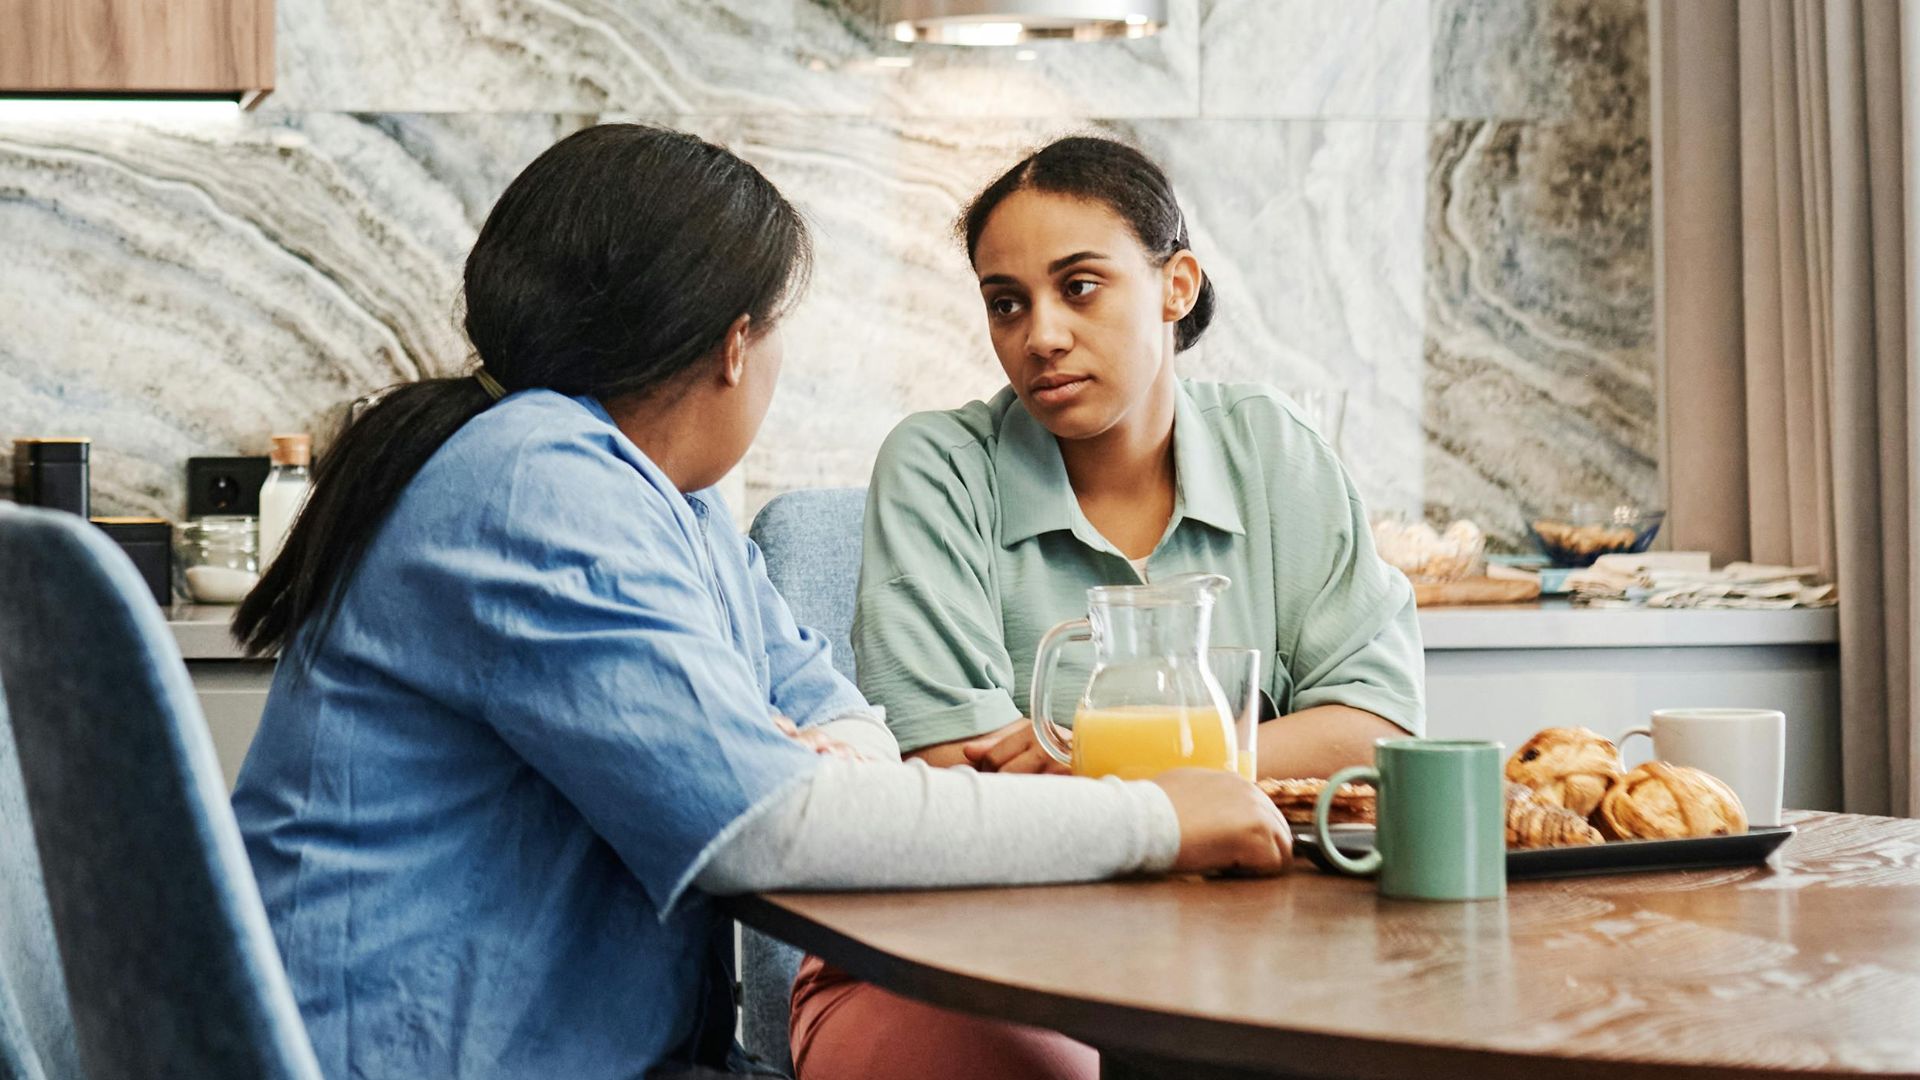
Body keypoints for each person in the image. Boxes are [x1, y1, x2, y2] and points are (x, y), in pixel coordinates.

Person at [228, 124, 1292, 1080]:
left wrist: (808, 767)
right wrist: (1154, 817)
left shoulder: (667, 503)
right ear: (737, 343)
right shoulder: (535, 481)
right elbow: (766, 826)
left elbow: (838, 720)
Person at [789, 136, 1424, 1080]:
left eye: (1079, 286)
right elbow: (957, 786)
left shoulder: (1278, 451)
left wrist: (1086, 754)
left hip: (1252, 941)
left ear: (1176, 286)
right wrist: (1216, 790)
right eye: (1007, 303)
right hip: (963, 952)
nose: (1039, 334)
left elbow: (1377, 737)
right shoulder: (935, 467)